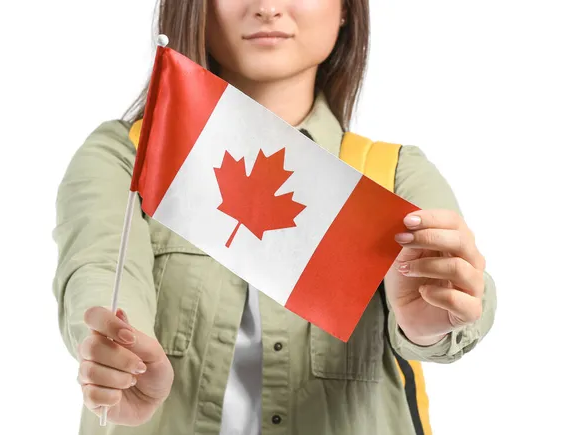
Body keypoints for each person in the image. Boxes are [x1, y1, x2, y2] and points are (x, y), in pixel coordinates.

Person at [52, 1, 497, 434]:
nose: (267, 7)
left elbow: (468, 300)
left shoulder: (393, 174)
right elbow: (100, 270)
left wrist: (429, 324)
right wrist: (120, 354)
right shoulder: (130, 156)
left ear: (346, 9)